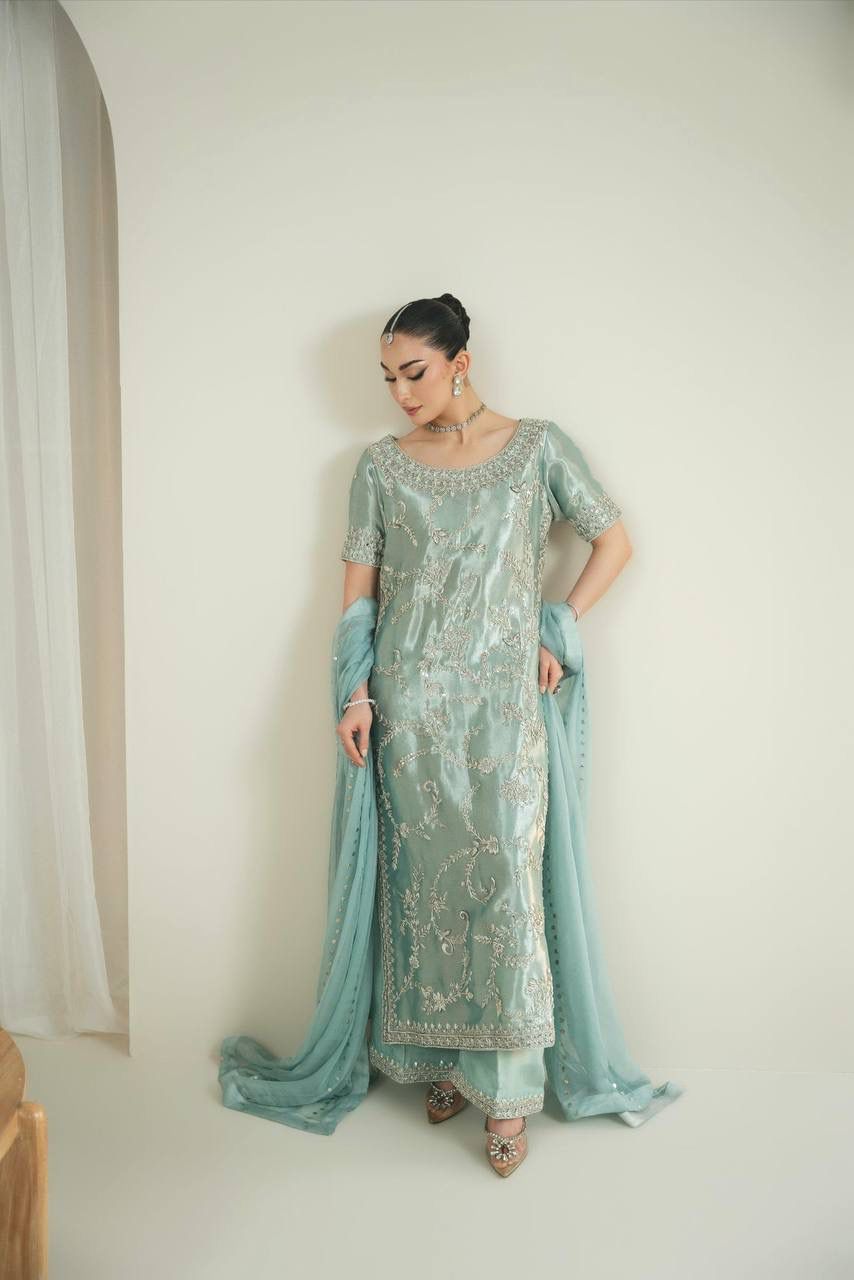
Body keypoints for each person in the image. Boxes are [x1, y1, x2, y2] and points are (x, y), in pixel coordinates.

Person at [338, 293, 631, 1176]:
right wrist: (354, 695)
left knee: (504, 889)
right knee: (423, 894)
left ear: (461, 362)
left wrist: (556, 628)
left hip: (502, 713)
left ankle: (506, 1092)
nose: (401, 393)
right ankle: (442, 1064)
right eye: (389, 378)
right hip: (410, 711)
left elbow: (614, 543)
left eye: (415, 372)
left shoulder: (538, 448)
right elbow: (358, 597)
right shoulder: (381, 467)